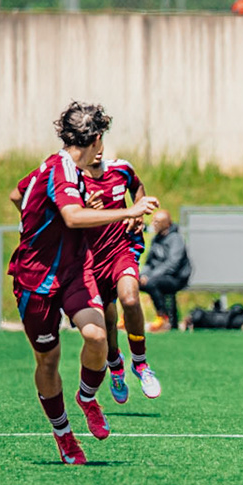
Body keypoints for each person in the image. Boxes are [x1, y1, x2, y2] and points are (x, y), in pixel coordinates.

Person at [7, 101, 150, 465]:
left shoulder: (63, 169)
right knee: (49, 360)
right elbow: (70, 216)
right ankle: (64, 435)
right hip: (36, 279)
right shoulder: (60, 169)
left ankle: (87, 398)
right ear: (97, 140)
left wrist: (74, 206)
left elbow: (18, 194)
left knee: (98, 337)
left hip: (74, 270)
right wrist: (128, 211)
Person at [82, 148, 163, 402]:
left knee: (129, 298)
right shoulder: (71, 179)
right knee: (106, 321)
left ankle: (140, 363)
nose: (96, 151)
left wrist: (138, 211)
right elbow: (64, 213)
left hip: (121, 249)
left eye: (99, 143)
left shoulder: (121, 169)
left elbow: (138, 188)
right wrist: (84, 208)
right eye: (90, 144)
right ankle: (115, 365)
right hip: (90, 259)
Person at [138, 209, 191, 332]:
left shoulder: (176, 239)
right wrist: (143, 275)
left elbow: (173, 264)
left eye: (157, 222)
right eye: (153, 221)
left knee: (152, 283)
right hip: (158, 276)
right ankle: (129, 319)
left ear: (167, 224)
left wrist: (151, 277)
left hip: (176, 278)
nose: (153, 224)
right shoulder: (156, 239)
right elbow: (149, 262)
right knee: (133, 283)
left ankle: (163, 317)